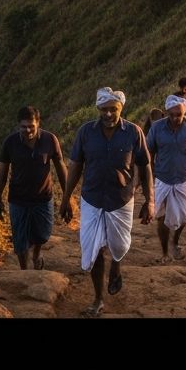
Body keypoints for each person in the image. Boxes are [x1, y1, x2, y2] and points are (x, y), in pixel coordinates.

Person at [60, 87, 153, 317]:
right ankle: (98, 298)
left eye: (113, 109)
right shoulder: (86, 133)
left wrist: (150, 200)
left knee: (118, 246)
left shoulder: (134, 132)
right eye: (104, 110)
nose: (109, 114)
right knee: (94, 250)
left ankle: (117, 265)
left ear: (121, 108)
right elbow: (75, 166)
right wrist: (65, 197)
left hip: (121, 199)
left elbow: (145, 166)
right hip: (91, 198)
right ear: (98, 109)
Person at [0, 107, 68, 271]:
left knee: (42, 234)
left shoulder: (50, 140)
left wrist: (67, 196)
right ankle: (24, 271)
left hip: (43, 198)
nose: (27, 130)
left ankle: (36, 254)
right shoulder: (10, 142)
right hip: (18, 199)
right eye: (23, 127)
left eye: (31, 126)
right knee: (20, 240)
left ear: (38, 124)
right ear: (18, 126)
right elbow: (3, 171)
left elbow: (60, 166)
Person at [146, 95, 186, 263]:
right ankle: (165, 251)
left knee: (183, 216)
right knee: (161, 216)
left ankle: (175, 241)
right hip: (162, 178)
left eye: (179, 115)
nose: (175, 118)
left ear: (185, 111)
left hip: (184, 178)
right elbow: (149, 152)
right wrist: (149, 176)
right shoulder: (157, 128)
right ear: (167, 112)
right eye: (172, 114)